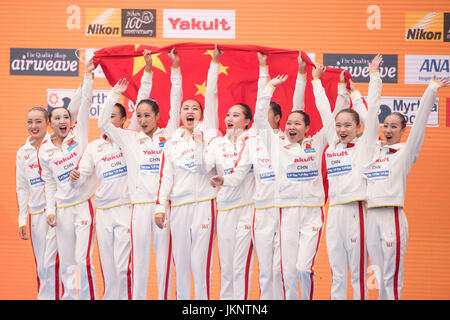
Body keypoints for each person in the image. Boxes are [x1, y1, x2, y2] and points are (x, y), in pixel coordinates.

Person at [98, 49, 180, 300]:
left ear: (157, 116)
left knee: (164, 266)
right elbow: (103, 123)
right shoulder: (129, 138)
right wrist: (115, 93)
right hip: (138, 209)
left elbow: (176, 101)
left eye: (148, 115)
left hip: (163, 207)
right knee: (140, 266)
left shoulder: (169, 134)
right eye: (139, 115)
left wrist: (174, 69)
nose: (142, 120)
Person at [364, 76, 450, 300]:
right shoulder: (373, 150)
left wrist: (432, 89)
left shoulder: (406, 151)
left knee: (391, 276)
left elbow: (420, 121)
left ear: (403, 130)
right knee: (376, 274)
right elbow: (369, 111)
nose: (388, 129)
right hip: (369, 216)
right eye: (386, 125)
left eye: (394, 126)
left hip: (392, 215)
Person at [312, 55, 383, 300]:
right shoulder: (332, 146)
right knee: (337, 273)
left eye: (348, 126)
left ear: (358, 128)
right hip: (335, 213)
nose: (342, 130)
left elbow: (372, 111)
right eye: (339, 125)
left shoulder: (365, 145)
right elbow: (324, 111)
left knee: (357, 273)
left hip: (357, 212)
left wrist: (371, 78)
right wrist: (316, 82)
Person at [154, 45, 221, 300]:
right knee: (180, 264)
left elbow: (212, 94)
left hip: (205, 204)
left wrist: (214, 63)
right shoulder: (171, 141)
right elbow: (165, 178)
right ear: (180, 115)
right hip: (178, 207)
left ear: (202, 114)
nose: (189, 111)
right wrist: (160, 207)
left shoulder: (212, 133)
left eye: (195, 108)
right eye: (185, 108)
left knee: (200, 265)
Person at [196, 52, 255, 300]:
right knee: (228, 268)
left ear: (248, 121)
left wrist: (226, 179)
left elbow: (241, 174)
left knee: (241, 267)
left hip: (248, 209)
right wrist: (214, 64)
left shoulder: (253, 140)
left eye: (236, 115)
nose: (229, 118)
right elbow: (210, 99)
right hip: (224, 210)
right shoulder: (217, 143)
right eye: (228, 115)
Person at [38, 59, 97, 300]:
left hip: (83, 205)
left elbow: (85, 102)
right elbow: (49, 183)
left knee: (83, 260)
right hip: (61, 210)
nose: (62, 121)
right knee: (67, 263)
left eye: (65, 117)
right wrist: (50, 210)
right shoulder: (44, 150)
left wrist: (88, 76)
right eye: (57, 118)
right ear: (50, 124)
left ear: (71, 121)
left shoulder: (78, 133)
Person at [68, 101, 132, 300]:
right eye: (107, 116)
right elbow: (82, 175)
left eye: (114, 116)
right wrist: (76, 178)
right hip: (103, 211)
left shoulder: (130, 140)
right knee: (109, 268)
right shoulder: (95, 147)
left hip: (125, 209)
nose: (110, 120)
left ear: (123, 120)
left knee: (123, 268)